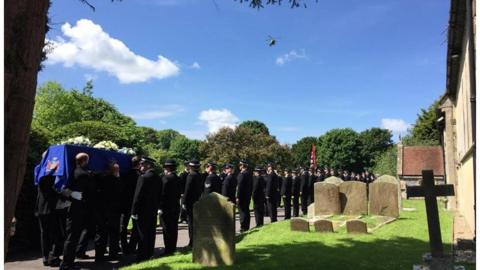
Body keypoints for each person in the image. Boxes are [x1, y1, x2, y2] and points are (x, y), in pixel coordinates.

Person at [60, 153, 95, 270]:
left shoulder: (72, 172)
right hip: (78, 209)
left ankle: (68, 262)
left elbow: (64, 188)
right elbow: (91, 189)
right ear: (85, 161)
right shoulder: (84, 174)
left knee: (72, 236)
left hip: (73, 207)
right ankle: (66, 264)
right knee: (72, 237)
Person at [131, 157, 161, 262]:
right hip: (152, 210)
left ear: (148, 165)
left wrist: (134, 211)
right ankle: (149, 253)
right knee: (151, 233)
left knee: (142, 234)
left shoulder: (143, 177)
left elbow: (137, 196)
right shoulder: (158, 177)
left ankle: (142, 256)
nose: (140, 166)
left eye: (142, 164)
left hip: (142, 211)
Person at [94, 160, 122, 261]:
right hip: (113, 210)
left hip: (101, 209)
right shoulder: (117, 180)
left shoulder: (100, 178)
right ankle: (113, 254)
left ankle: (99, 256)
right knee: (113, 233)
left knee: (100, 233)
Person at [35, 174, 63, 267]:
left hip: (40, 209)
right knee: (56, 234)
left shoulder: (40, 176)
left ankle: (45, 257)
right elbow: (57, 191)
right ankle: (54, 257)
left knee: (44, 234)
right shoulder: (53, 177)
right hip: (51, 209)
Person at [159, 159, 181, 256]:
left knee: (167, 229)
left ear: (167, 168)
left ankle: (168, 249)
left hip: (166, 207)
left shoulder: (166, 179)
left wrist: (160, 207)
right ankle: (172, 247)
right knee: (173, 228)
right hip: (175, 206)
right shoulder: (177, 178)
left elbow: (162, 194)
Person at [120, 156, 141, 254]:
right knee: (136, 227)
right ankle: (132, 246)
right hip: (136, 205)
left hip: (125, 203)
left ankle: (124, 246)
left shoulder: (125, 175)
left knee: (123, 226)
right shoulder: (140, 176)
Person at [182, 159, 203, 247]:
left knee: (191, 223)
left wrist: (183, 202)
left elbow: (187, 190)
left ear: (191, 167)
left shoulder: (191, 175)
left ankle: (192, 242)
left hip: (190, 202)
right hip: (198, 200)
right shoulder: (200, 175)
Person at [236, 160, 252, 232]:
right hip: (247, 195)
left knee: (242, 212)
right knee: (246, 211)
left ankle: (243, 227)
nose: (239, 166)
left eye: (240, 165)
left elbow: (240, 187)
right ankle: (246, 226)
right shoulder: (249, 173)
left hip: (242, 196)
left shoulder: (242, 174)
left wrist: (238, 196)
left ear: (242, 166)